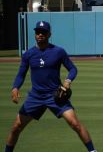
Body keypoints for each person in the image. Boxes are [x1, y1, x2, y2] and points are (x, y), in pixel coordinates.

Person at [4, 21, 97, 152]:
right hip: (36, 96)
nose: (40, 34)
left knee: (75, 124)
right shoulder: (28, 54)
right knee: (16, 127)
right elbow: (21, 74)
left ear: (49, 34)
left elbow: (73, 69)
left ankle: (93, 151)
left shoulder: (58, 52)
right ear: (35, 34)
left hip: (55, 96)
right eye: (38, 32)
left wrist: (68, 81)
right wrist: (15, 87)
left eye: (43, 32)